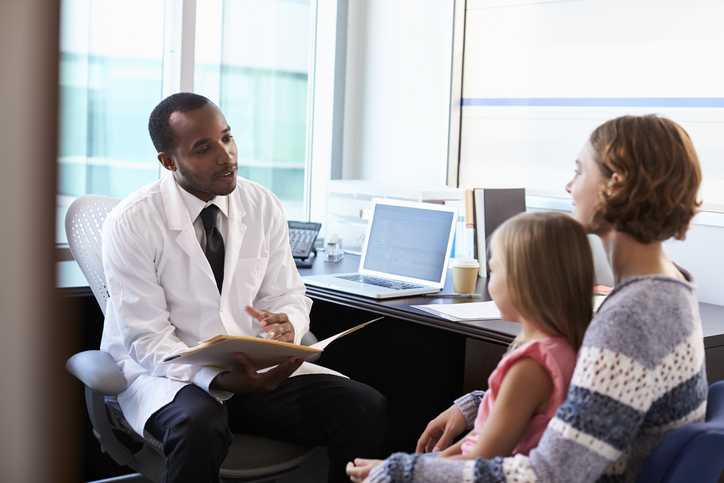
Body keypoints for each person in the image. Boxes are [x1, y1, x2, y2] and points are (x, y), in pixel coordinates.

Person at [347, 114, 707, 483]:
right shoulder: (669, 288)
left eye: (579, 171)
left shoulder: (632, 318)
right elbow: (579, 397)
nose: (569, 186)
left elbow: (549, 474)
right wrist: (476, 405)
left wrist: (400, 472)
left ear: (614, 184)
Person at [100, 92, 387, 483]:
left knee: (364, 406)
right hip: (168, 377)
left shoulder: (262, 204)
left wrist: (288, 323)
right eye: (204, 148)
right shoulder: (132, 222)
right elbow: (147, 339)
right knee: (198, 424)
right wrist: (216, 379)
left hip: (254, 372)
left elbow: (286, 292)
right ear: (168, 163)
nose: (226, 155)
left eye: (227, 138)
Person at [434, 211, 594, 462]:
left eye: (493, 269)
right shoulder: (565, 347)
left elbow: (482, 460)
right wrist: (438, 459)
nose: (489, 281)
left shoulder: (530, 368)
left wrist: (405, 469)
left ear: (524, 282)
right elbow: (485, 432)